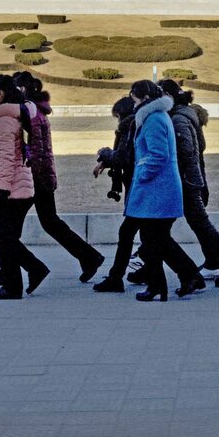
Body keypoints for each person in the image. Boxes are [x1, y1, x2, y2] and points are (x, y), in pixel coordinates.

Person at [8, 72, 104, 283]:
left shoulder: (29, 112)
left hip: (34, 178)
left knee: (8, 228)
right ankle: (89, 256)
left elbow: (33, 149)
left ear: (21, 89)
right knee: (50, 223)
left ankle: (9, 268)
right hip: (42, 177)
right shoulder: (38, 111)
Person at [159, 79, 219, 287]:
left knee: (183, 226)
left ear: (169, 97)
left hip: (186, 181)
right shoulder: (186, 114)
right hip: (191, 178)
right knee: (194, 225)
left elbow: (186, 151)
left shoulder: (178, 118)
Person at [125, 80, 202, 301]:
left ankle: (159, 285)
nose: (133, 103)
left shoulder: (153, 119)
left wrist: (141, 174)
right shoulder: (156, 116)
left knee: (152, 240)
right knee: (158, 240)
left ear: (144, 98)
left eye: (135, 98)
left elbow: (158, 155)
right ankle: (187, 276)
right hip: (158, 190)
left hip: (157, 190)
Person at [0, 74, 49, 299]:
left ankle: (14, 285)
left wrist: (2, 190)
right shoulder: (9, 116)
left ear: (0, 94)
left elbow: (9, 158)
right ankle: (34, 269)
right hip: (18, 186)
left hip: (13, 188)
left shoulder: (4, 120)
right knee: (2, 233)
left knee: (3, 235)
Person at [93, 96, 140, 292]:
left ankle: (116, 278)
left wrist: (104, 153)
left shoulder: (128, 127)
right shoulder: (136, 124)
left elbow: (121, 157)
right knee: (151, 236)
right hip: (138, 185)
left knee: (129, 232)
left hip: (138, 187)